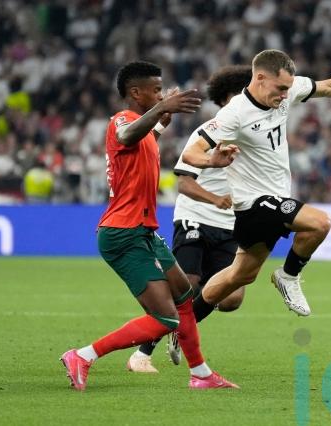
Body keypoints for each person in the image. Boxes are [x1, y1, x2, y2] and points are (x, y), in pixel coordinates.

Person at [182, 49, 331, 321]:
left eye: (288, 88)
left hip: (275, 198)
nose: (285, 95)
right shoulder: (234, 113)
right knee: (320, 223)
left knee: (239, 276)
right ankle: (288, 276)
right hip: (254, 203)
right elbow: (190, 153)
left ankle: (182, 326)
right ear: (260, 78)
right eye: (281, 88)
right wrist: (212, 161)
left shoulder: (286, 91)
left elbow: (330, 87)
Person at [60, 60, 238, 390]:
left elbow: (140, 142)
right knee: (166, 317)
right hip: (123, 234)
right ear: (135, 92)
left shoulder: (143, 131)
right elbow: (127, 134)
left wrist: (162, 125)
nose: (160, 94)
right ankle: (83, 355)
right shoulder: (121, 120)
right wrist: (161, 110)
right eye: (155, 90)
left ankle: (201, 375)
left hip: (144, 231)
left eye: (161, 90)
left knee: (185, 296)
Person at [127, 65, 252, 373]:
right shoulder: (208, 132)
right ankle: (142, 353)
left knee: (231, 298)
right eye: (243, 95)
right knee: (188, 286)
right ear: (227, 99)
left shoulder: (256, 134)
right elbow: (183, 183)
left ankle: (179, 330)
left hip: (230, 225)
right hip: (196, 217)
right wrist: (215, 199)